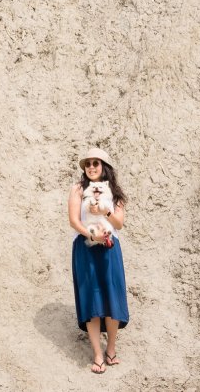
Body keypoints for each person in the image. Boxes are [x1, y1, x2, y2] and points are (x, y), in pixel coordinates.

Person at [69, 147, 130, 374]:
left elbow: (119, 223)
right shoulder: (78, 189)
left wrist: (104, 211)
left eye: (96, 163)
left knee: (112, 297)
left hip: (109, 248)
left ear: (104, 166)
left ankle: (111, 349)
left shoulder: (116, 194)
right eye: (88, 163)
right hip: (86, 247)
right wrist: (91, 235)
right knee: (92, 300)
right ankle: (97, 354)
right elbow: (74, 220)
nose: (92, 167)